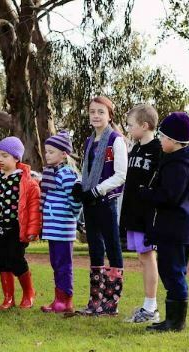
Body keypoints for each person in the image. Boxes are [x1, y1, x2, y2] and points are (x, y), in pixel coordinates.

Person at [139, 112, 189, 332]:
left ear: (174, 141)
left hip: (176, 228)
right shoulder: (175, 161)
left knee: (173, 271)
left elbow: (169, 196)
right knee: (171, 270)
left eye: (163, 137)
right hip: (176, 227)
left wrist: (147, 194)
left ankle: (176, 321)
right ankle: (173, 318)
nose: (160, 140)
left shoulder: (179, 167)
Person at [72, 96, 128, 316]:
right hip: (90, 203)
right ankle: (95, 301)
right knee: (95, 250)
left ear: (109, 115)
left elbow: (120, 175)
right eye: (92, 111)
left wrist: (97, 190)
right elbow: (85, 169)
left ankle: (111, 302)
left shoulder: (116, 140)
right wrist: (80, 185)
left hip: (106, 201)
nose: (96, 115)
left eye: (101, 112)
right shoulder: (89, 141)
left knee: (113, 247)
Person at [0, 136, 41, 310]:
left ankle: (28, 293)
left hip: (16, 227)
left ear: (16, 158)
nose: (0, 159)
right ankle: (8, 298)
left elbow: (33, 208)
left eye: (5, 156)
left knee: (16, 259)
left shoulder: (25, 180)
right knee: (2, 261)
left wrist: (32, 230)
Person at [121, 104, 162, 323]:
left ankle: (151, 308)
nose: (128, 129)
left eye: (130, 125)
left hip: (147, 215)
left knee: (148, 257)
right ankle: (148, 306)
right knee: (142, 257)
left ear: (144, 126)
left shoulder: (158, 149)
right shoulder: (135, 149)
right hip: (133, 213)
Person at [39, 131, 82, 313]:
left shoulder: (67, 174)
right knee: (56, 263)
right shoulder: (51, 173)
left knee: (63, 264)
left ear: (64, 154)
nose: (47, 155)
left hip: (62, 228)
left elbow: (75, 200)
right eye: (46, 151)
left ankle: (66, 300)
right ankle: (58, 299)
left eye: (51, 152)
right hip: (52, 228)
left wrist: (72, 218)